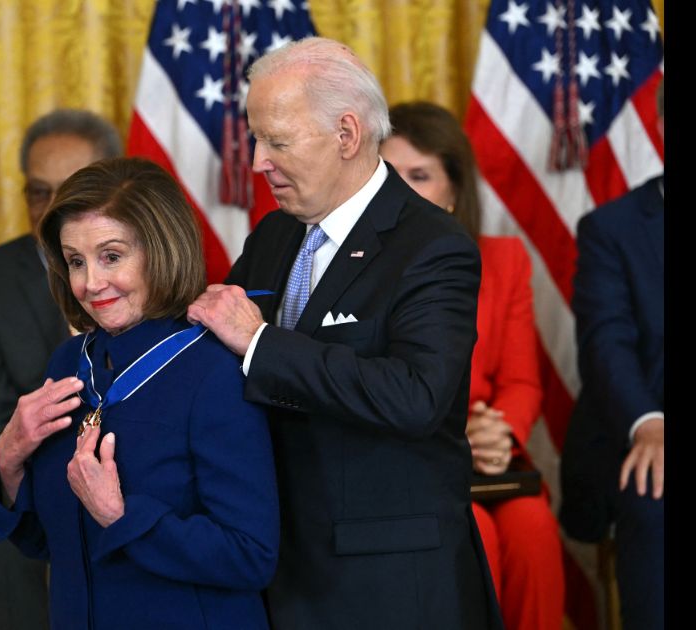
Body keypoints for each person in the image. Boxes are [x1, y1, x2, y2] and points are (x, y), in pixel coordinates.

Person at [188, 37, 502, 629]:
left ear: (347, 135)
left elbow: (416, 396)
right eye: (257, 139)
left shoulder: (432, 246)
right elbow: (215, 352)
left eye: (277, 141)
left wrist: (260, 345)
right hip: (281, 567)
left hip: (387, 582)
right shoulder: (274, 236)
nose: (258, 162)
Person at [0, 157, 280, 629]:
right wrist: (8, 460)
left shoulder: (215, 369)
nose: (90, 284)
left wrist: (120, 514)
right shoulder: (68, 364)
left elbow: (250, 556)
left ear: (160, 251)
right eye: (75, 261)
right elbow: (45, 542)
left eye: (112, 256)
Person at [379, 101, 564, 630]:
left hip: (488, 457)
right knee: (472, 531)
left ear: (455, 191)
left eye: (421, 175)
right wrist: (456, 433)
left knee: (533, 532)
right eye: (390, 175)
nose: (404, 190)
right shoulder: (357, 266)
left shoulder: (503, 259)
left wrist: (496, 433)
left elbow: (522, 380)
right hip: (414, 457)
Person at [0, 108, 122, 630]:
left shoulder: (151, 270)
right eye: (37, 191)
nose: (52, 209)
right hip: (35, 506)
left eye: (70, 190)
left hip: (132, 500)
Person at [562, 79, 665, 630]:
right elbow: (605, 344)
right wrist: (649, 424)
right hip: (645, 429)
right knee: (655, 503)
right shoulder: (611, 229)